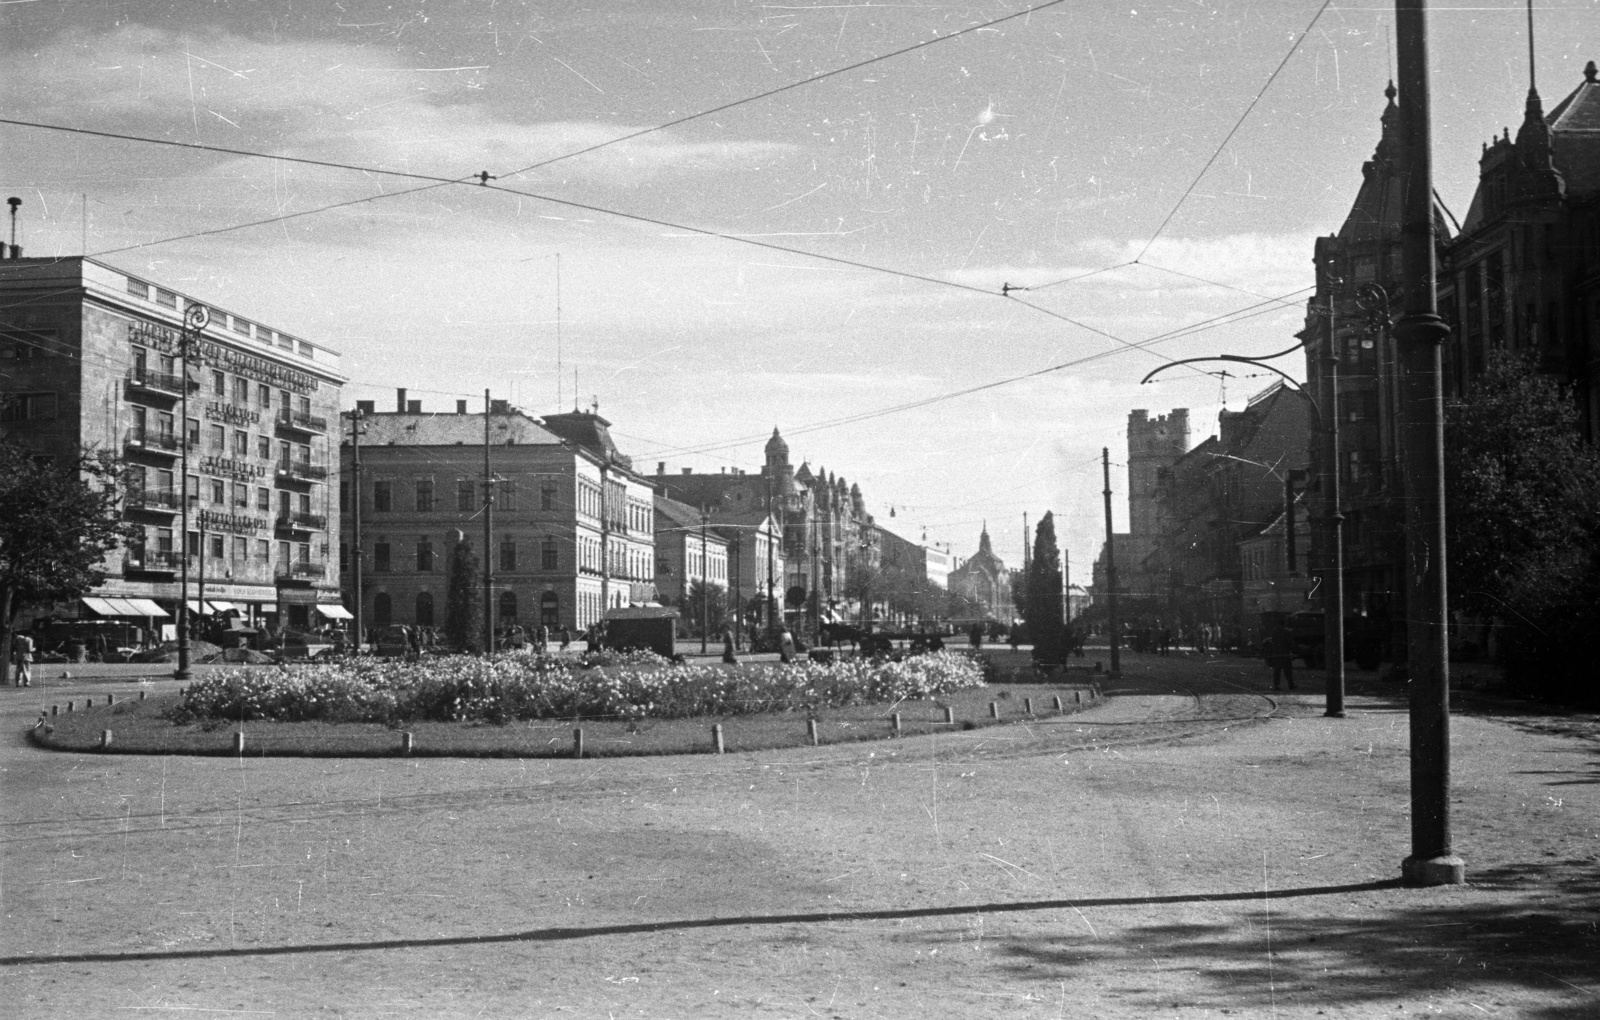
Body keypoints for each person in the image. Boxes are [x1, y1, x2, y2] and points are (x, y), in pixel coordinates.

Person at [1264, 620, 1297, 691]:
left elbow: (1272, 642)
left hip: (1276, 654)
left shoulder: (1274, 632)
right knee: (1288, 671)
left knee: (1277, 671)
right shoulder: (1287, 632)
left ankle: (1276, 685)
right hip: (1285, 654)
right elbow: (1289, 643)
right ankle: (1291, 685)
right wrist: (1293, 651)